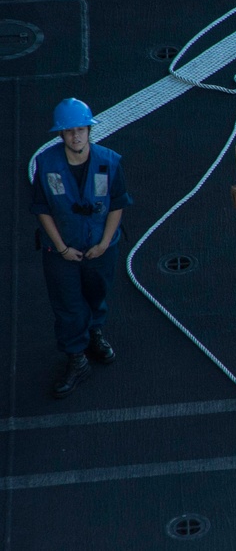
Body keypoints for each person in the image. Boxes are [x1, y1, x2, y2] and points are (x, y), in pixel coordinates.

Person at [31, 98, 132, 398]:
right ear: (60, 135)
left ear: (89, 131)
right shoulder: (47, 164)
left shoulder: (110, 162)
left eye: (80, 130)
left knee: (97, 294)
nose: (76, 136)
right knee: (68, 305)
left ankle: (94, 334)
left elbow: (117, 204)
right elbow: (42, 208)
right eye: (69, 131)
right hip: (62, 253)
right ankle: (77, 357)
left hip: (100, 251)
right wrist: (61, 248)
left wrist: (103, 244)